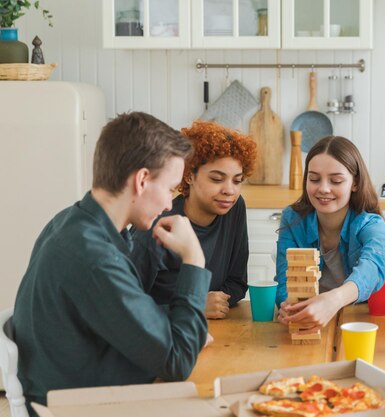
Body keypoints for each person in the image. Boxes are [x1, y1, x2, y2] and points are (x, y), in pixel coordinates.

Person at [12, 112, 212, 412]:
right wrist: (194, 259)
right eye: (170, 189)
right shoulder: (95, 257)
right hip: (79, 408)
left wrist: (175, 330)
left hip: (77, 389)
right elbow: (178, 361)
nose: (170, 203)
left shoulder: (70, 221)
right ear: (142, 180)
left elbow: (119, 313)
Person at [275, 136, 385, 332]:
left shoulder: (372, 225)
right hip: (314, 328)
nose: (323, 188)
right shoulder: (292, 219)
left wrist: (333, 300)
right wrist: (288, 305)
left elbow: (371, 269)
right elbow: (285, 280)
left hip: (368, 324)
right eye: (314, 179)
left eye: (336, 180)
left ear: (354, 183)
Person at [130, 121, 256, 319]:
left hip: (209, 332)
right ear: (189, 175)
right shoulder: (155, 227)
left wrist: (208, 304)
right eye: (216, 179)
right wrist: (192, 306)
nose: (229, 190)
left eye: (237, 180)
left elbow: (237, 282)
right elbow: (125, 308)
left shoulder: (234, 207)